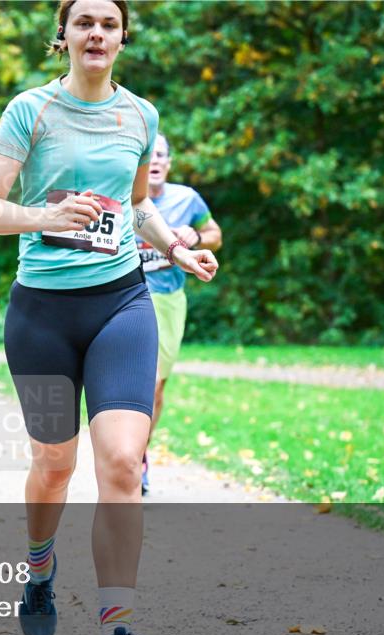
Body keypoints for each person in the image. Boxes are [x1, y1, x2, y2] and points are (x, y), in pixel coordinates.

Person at [0, 1, 218, 635]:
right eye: (84, 22)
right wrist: (43, 213)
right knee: (54, 465)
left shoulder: (140, 114)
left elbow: (138, 206)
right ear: (64, 35)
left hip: (122, 305)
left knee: (119, 461)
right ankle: (40, 569)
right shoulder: (31, 110)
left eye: (109, 23)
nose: (97, 33)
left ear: (123, 37)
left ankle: (120, 633)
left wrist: (175, 248)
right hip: (42, 315)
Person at [136, 134, 223, 495]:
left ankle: (139, 454)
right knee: (138, 382)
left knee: (155, 388)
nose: (155, 161)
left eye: (161, 155)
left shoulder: (186, 198)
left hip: (169, 298)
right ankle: (125, 459)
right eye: (148, 155)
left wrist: (196, 238)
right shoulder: (125, 198)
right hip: (130, 295)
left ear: (169, 163)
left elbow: (214, 234)